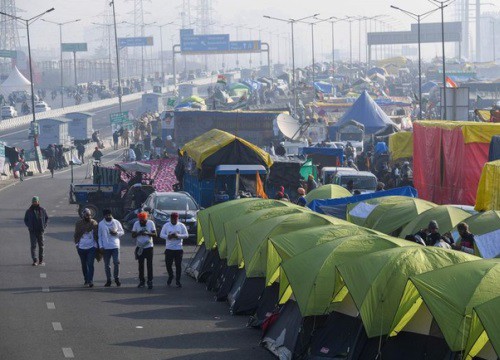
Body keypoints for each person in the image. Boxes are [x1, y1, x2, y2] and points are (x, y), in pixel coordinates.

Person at [160, 212, 189, 288]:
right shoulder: (166, 225)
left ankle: (178, 280)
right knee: (168, 264)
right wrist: (168, 236)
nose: (174, 221)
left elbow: (186, 235)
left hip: (178, 248)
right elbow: (161, 235)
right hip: (169, 248)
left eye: (175, 220)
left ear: (177, 219)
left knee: (178, 265)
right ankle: (171, 275)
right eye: (173, 220)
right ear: (170, 219)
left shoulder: (181, 225)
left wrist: (178, 236)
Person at [98, 209, 125, 287]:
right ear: (104, 216)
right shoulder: (101, 224)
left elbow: (122, 232)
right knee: (107, 264)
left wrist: (116, 233)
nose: (108, 216)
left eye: (109, 215)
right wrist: (101, 246)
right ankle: (108, 280)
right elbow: (99, 236)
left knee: (116, 262)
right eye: (107, 215)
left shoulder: (116, 222)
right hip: (105, 247)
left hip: (115, 246)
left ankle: (116, 278)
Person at [73, 208, 98, 287]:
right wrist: (77, 245)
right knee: (84, 264)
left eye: (90, 215)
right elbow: (76, 235)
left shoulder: (94, 223)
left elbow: (97, 235)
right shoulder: (79, 223)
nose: (88, 217)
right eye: (87, 215)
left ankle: (90, 280)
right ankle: (86, 279)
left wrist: (96, 245)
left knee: (90, 264)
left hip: (91, 248)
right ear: (83, 215)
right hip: (81, 248)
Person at [132, 212, 156, 289]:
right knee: (140, 265)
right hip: (140, 247)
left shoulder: (151, 223)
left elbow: (155, 234)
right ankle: (142, 281)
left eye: (143, 220)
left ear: (146, 219)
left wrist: (147, 233)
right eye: (140, 220)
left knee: (149, 265)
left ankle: (150, 281)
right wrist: (139, 233)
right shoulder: (136, 223)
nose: (142, 222)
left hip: (149, 247)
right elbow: (133, 235)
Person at [24, 196, 49, 266]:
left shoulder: (42, 210)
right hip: (32, 231)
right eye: (33, 202)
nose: (34, 203)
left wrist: (44, 226)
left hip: (40, 230)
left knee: (41, 246)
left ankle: (41, 260)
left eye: (36, 201)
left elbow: (47, 218)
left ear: (38, 202)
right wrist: (29, 226)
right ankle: (35, 260)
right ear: (32, 202)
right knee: (33, 246)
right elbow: (25, 220)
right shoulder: (29, 211)